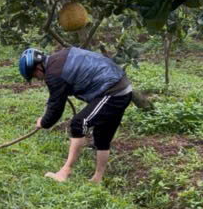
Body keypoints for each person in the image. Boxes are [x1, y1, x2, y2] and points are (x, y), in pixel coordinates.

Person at [19, 47, 133, 183]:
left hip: (112, 92)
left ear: (38, 68)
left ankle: (65, 171)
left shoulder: (53, 74)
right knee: (102, 135)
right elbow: (55, 97)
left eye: (34, 76)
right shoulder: (59, 58)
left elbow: (56, 109)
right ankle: (97, 178)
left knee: (79, 123)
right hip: (122, 87)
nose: (38, 79)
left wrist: (43, 122)